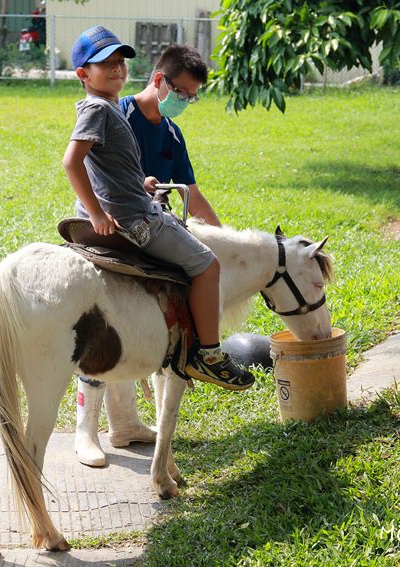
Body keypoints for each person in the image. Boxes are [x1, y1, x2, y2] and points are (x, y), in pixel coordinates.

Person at [63, 26, 254, 467]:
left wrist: (226, 236)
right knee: (108, 314)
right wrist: (96, 212)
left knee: (152, 307)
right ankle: (85, 430)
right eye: (181, 92)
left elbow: (189, 188)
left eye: (192, 96)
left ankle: (125, 423)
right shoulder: (116, 110)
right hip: (119, 221)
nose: (184, 101)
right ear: (159, 80)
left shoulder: (169, 133)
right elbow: (83, 165)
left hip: (141, 210)